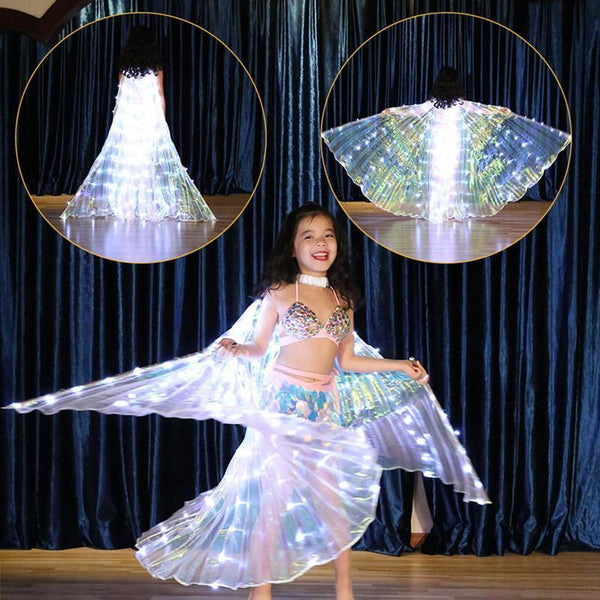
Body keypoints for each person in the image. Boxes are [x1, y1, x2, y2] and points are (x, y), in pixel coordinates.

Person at [7, 204, 490, 597]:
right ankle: (262, 593)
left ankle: (344, 590)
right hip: (282, 408)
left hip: (325, 411)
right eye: (309, 236)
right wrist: (238, 349)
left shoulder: (343, 298)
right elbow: (260, 347)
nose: (320, 243)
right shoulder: (279, 292)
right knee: (270, 505)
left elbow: (346, 360)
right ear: (293, 247)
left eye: (328, 235)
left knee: (335, 505)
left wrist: (401, 366)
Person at [322, 66, 571, 223]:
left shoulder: (432, 104)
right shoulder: (461, 104)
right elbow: (483, 110)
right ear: (456, 83)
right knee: (452, 178)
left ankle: (437, 211)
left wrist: (391, 112)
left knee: (437, 178)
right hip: (454, 144)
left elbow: (411, 111)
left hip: (436, 144)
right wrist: (502, 111)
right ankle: (451, 211)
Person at [61, 25, 215, 222]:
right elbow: (160, 96)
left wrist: (117, 121)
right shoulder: (156, 68)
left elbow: (120, 96)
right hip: (149, 120)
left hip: (128, 121)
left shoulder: (125, 68)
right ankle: (146, 205)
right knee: (146, 163)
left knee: (128, 163)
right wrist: (162, 121)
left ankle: (126, 205)